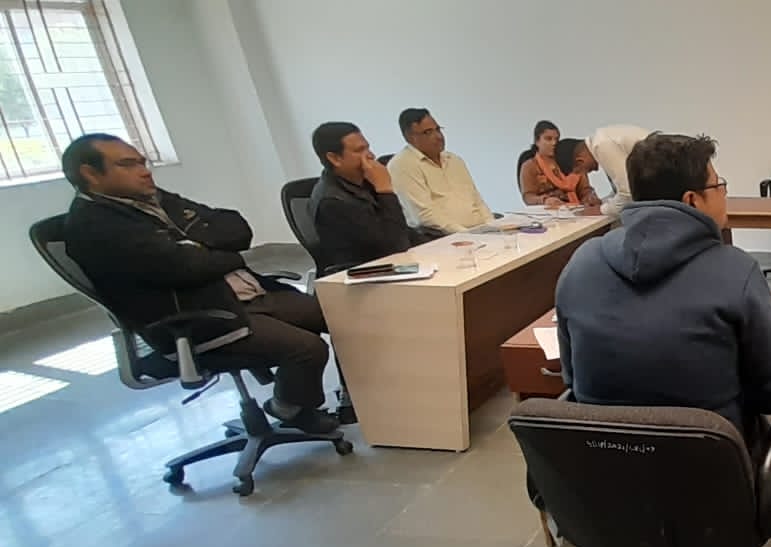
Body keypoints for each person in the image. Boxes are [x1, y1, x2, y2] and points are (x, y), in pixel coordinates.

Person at [59, 134, 338, 433]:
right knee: (306, 348)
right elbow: (184, 268)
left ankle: (360, 397)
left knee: (344, 317)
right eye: (128, 164)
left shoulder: (153, 199)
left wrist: (197, 246)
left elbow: (236, 227)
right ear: (90, 174)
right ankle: (288, 407)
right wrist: (225, 255)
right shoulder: (95, 226)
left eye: (143, 162)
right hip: (199, 318)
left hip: (244, 296)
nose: (144, 171)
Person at [555, 132, 771, 437]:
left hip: (601, 461)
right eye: (718, 185)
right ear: (691, 200)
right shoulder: (737, 272)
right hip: (709, 463)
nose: (724, 193)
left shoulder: (582, 263)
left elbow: (572, 379)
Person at [308, 121, 419, 273]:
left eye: (367, 148)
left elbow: (403, 232)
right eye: (359, 150)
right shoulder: (332, 202)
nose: (371, 155)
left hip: (392, 265)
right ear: (334, 158)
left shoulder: (363, 182)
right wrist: (385, 190)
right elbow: (394, 246)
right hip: (365, 274)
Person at [386, 108, 494, 235]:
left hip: (478, 232)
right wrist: (468, 234)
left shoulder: (454, 160)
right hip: (443, 236)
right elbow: (425, 215)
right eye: (428, 132)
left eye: (438, 129)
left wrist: (492, 226)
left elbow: (477, 199)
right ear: (410, 137)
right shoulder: (402, 165)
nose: (438, 136)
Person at [572, 124, 653, 217]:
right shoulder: (602, 139)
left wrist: (600, 210)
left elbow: (627, 194)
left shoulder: (601, 145)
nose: (593, 171)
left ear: (580, 161)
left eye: (579, 171)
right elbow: (623, 190)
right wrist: (605, 202)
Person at [524, 136, 601, 209]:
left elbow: (585, 190)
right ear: (537, 142)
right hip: (548, 212)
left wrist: (590, 196)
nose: (553, 143)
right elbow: (528, 197)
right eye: (548, 139)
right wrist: (544, 200)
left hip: (576, 210)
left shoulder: (575, 164)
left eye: (556, 139)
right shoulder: (530, 166)